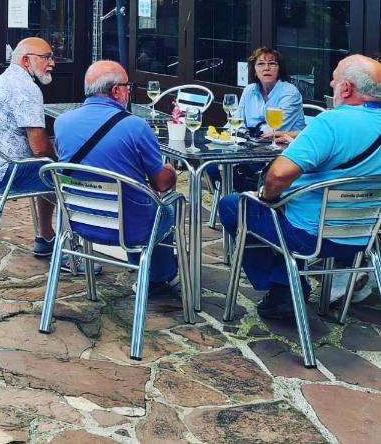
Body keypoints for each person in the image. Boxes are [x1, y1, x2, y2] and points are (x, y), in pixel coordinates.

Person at [219, 54, 381, 320]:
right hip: (365, 237)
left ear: (347, 88)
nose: (330, 84)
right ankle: (286, 285)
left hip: (309, 237)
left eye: (335, 79)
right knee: (286, 212)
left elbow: (279, 176)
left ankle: (284, 287)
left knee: (233, 206)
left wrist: (267, 198)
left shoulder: (332, 122)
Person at [54, 60, 180, 294]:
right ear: (116, 91)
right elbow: (161, 183)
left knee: (136, 200)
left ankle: (149, 268)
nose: (129, 90)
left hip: (79, 222)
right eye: (127, 85)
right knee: (167, 208)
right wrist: (171, 170)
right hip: (130, 229)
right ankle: (159, 276)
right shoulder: (136, 126)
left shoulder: (61, 123)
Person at [0, 37, 57, 254]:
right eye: (46, 57)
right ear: (27, 61)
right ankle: (65, 250)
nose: (52, 63)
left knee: (51, 165)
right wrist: (62, 161)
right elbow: (39, 149)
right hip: (3, 174)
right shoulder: (26, 89)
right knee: (65, 174)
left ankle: (45, 236)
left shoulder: (7, 78)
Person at [206, 46, 306, 192]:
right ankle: (239, 201)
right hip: (250, 150)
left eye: (272, 63)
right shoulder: (249, 90)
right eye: (261, 64)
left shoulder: (289, 92)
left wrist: (245, 133)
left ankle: (248, 201)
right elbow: (235, 121)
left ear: (279, 69)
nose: (267, 68)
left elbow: (272, 130)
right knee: (212, 166)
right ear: (254, 70)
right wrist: (226, 135)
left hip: (280, 155)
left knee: (232, 171)